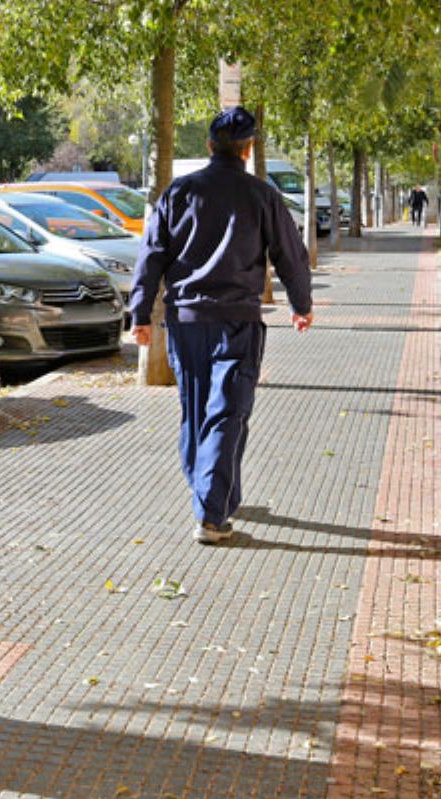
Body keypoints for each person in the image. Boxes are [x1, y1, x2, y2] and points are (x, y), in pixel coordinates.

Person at [130, 106, 314, 545]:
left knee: (197, 412)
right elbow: (290, 254)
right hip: (236, 321)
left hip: (186, 323)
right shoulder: (262, 195)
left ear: (210, 145)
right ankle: (212, 514)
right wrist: (301, 304)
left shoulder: (179, 192)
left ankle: (210, 493)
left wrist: (140, 314)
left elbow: (151, 254)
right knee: (228, 413)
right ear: (247, 150)